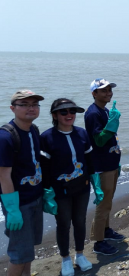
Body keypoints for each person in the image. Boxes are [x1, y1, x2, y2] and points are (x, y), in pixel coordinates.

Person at [40, 98, 95, 276]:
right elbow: (44, 168)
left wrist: (97, 184)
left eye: (72, 111)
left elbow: (89, 161)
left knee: (80, 221)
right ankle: (65, 258)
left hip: (82, 188)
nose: (69, 115)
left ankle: (80, 254)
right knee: (63, 224)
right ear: (55, 115)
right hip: (60, 191)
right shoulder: (47, 137)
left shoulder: (82, 133)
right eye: (63, 112)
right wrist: (46, 192)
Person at [0, 90, 51, 276]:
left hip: (35, 198)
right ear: (13, 108)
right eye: (25, 104)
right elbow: (3, 176)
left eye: (35, 104)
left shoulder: (34, 130)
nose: (31, 108)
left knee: (28, 251)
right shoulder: (5, 137)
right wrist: (12, 210)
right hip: (19, 204)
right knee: (19, 255)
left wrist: (45, 192)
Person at [84, 78, 124, 255]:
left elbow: (110, 139)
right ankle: (98, 242)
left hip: (111, 163)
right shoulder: (93, 113)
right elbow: (98, 141)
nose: (109, 93)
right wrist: (110, 127)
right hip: (101, 166)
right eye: (104, 90)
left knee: (108, 202)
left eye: (109, 90)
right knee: (103, 204)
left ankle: (106, 231)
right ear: (94, 93)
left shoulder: (105, 110)